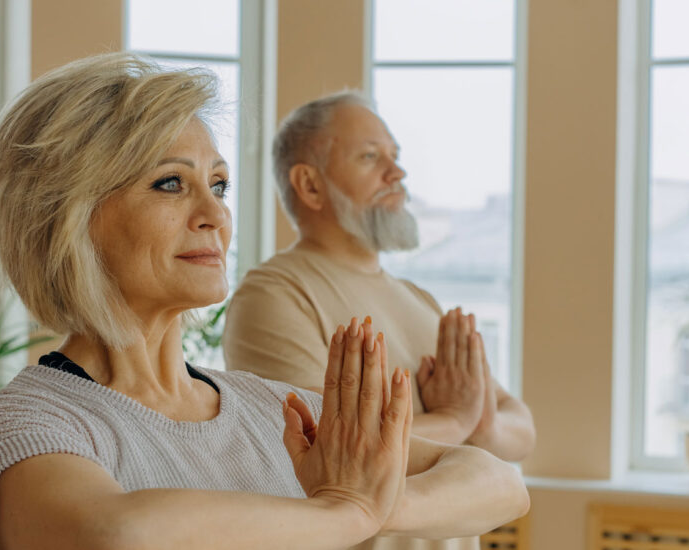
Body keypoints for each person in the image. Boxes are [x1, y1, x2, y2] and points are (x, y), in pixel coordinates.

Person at [0, 53, 529, 550]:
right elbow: (112, 535)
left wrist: (374, 504)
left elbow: (500, 483)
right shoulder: (26, 422)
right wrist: (343, 511)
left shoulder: (265, 406)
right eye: (171, 183)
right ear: (69, 217)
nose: (215, 215)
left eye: (220, 185)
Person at [223, 92, 537, 550]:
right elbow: (317, 451)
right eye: (371, 157)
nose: (398, 173)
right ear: (309, 185)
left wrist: (482, 427)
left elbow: (521, 430)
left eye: (396, 156)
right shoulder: (274, 295)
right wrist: (454, 421)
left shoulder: (419, 299)